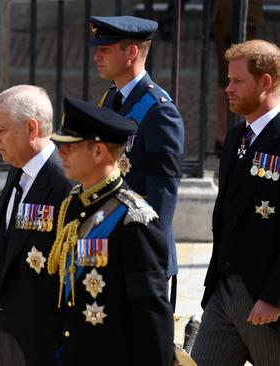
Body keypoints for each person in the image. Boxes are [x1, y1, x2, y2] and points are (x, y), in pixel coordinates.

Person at [48, 97, 174, 365]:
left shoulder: (135, 219)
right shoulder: (73, 203)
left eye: (71, 147)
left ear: (98, 152)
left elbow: (150, 316)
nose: (61, 153)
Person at [192, 39, 280, 366]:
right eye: (228, 80)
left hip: (264, 298)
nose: (228, 88)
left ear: (265, 81)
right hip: (223, 292)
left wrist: (274, 297)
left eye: (237, 81)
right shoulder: (237, 138)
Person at [0, 85, 74, 366]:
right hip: (2, 330)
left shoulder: (63, 184)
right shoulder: (19, 170)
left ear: (31, 128)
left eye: (1, 129)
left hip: (39, 341)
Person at [91, 15, 185, 293]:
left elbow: (162, 194)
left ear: (132, 52)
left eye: (105, 49)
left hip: (139, 253)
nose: (97, 56)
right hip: (108, 243)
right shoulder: (110, 99)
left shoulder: (159, 111)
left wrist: (146, 255)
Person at [212, 0, 264, 154]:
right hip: (236, 14)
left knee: (230, 79)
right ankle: (232, 139)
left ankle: (226, 138)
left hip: (230, 13)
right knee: (240, 78)